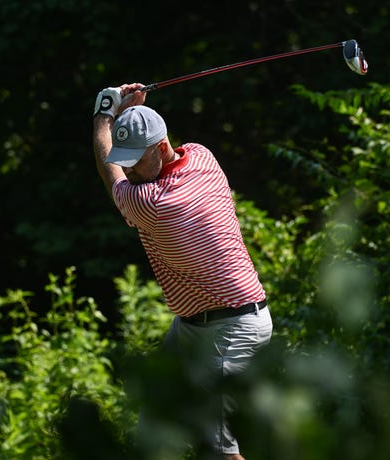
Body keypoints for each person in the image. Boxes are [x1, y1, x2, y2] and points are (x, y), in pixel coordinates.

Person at [92, 83, 273, 459]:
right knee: (154, 417)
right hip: (196, 323)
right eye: (127, 159)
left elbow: (108, 170)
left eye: (135, 160)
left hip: (231, 329)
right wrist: (135, 114)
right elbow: (135, 153)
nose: (129, 168)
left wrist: (104, 116)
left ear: (159, 148)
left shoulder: (153, 203)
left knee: (222, 449)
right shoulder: (202, 157)